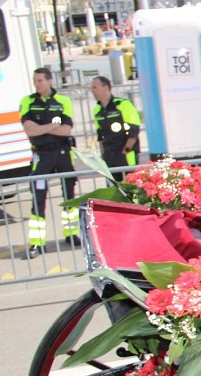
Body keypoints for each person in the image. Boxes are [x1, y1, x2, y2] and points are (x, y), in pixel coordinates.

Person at [21, 67, 79, 257]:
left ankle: (72, 234)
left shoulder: (63, 101)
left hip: (62, 153)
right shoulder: (28, 102)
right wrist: (53, 126)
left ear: (49, 81)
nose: (37, 84)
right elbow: (29, 130)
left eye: (40, 80)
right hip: (41, 155)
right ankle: (37, 242)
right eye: (35, 80)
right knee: (38, 198)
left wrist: (42, 129)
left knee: (69, 196)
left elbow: (66, 130)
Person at [91, 76, 142, 177]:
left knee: (130, 188)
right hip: (109, 157)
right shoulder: (97, 110)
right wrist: (103, 157)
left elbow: (134, 131)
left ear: (106, 88)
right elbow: (100, 136)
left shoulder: (123, 104)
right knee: (113, 189)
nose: (92, 91)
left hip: (125, 155)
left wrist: (126, 150)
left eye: (95, 87)